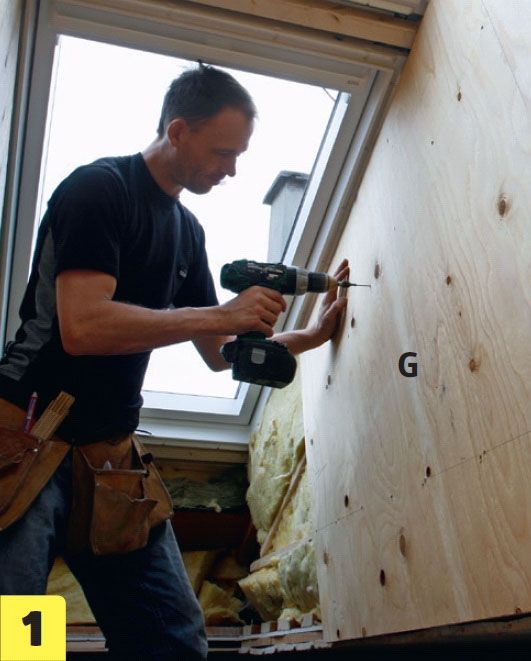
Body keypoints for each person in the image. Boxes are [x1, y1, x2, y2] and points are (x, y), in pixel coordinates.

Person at [0, 63, 349, 659]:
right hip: (28, 440)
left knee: (173, 638)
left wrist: (309, 337)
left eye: (238, 155)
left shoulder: (187, 231)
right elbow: (83, 327)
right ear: (178, 130)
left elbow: (219, 354)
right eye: (222, 152)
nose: (231, 169)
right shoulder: (98, 191)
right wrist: (217, 314)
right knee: (22, 636)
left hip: (111, 461)